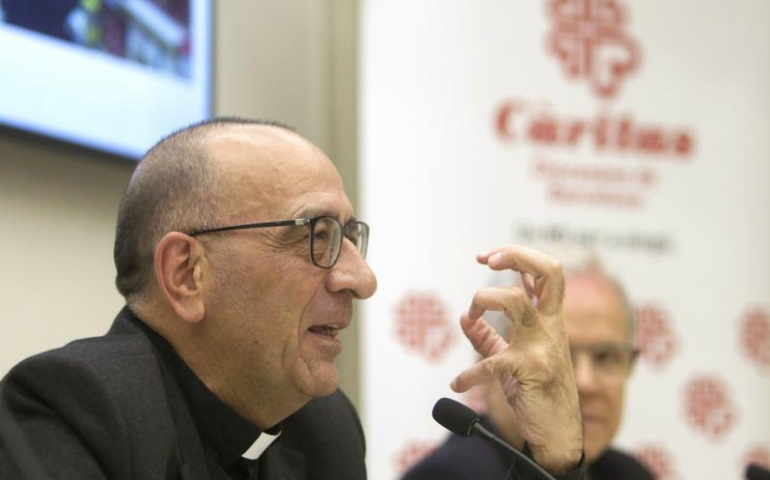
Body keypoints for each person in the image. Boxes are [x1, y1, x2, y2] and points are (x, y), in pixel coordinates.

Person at [0, 118, 585, 480]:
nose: (361, 279)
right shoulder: (73, 411)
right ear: (186, 274)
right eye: (316, 237)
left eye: (349, 239)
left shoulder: (322, 430)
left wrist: (552, 462)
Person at [402, 255, 654, 480]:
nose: (586, 382)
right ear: (489, 365)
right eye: (560, 359)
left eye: (606, 357)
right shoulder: (450, 474)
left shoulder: (628, 472)